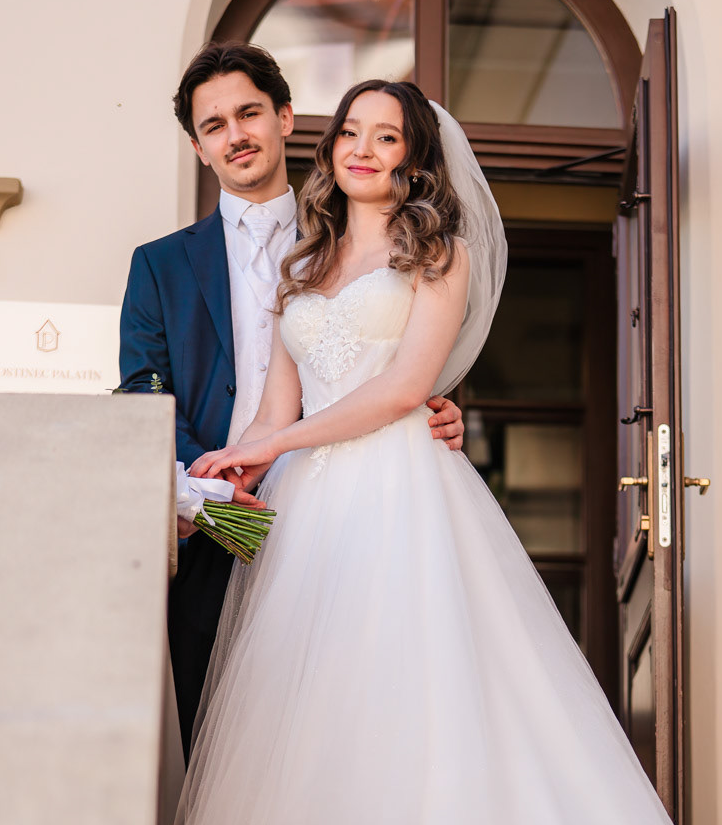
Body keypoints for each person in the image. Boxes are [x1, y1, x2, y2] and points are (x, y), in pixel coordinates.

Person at [154, 79, 722, 825]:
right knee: (321, 733)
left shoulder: (439, 252)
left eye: (386, 136)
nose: (362, 148)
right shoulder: (304, 263)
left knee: (412, 719)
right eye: (351, 132)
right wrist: (238, 463)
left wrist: (280, 442)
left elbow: (405, 388)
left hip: (403, 498)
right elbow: (274, 404)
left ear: (414, 157)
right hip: (309, 522)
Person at [118, 44, 465, 757]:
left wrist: (438, 408)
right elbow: (142, 395)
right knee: (232, 754)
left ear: (285, 119)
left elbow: (404, 368)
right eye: (214, 125)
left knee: (374, 714)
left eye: (249, 113)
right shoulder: (159, 265)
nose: (235, 135)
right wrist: (207, 490)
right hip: (220, 518)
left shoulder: (359, 229)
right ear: (198, 148)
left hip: (362, 509)